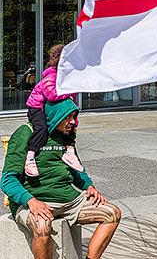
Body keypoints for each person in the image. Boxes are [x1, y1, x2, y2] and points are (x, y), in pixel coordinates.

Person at [1, 98, 121, 259]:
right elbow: (8, 180)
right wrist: (31, 201)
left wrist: (89, 187)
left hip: (68, 200)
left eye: (74, 116)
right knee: (42, 227)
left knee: (112, 213)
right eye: (68, 117)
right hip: (34, 201)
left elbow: (76, 170)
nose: (72, 122)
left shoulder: (66, 136)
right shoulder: (26, 133)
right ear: (56, 114)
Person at [25, 43, 83, 177]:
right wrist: (67, 92)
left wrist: (74, 120)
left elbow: (71, 103)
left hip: (51, 108)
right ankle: (30, 157)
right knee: (41, 129)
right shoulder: (50, 76)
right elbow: (51, 95)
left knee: (71, 128)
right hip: (37, 107)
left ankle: (70, 153)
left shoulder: (68, 80)